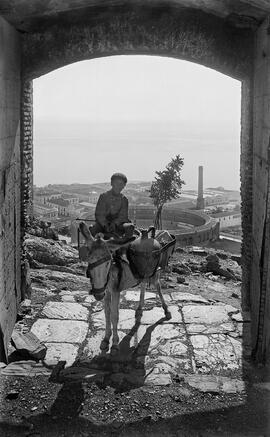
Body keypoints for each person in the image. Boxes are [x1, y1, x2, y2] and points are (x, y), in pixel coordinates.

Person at [90, 173, 134, 239]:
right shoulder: (103, 197)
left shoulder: (124, 200)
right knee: (92, 229)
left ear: (124, 186)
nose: (119, 186)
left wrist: (115, 224)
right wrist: (105, 225)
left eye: (121, 184)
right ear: (111, 183)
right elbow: (99, 214)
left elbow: (123, 216)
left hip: (119, 225)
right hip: (103, 225)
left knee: (130, 227)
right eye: (117, 183)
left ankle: (124, 247)